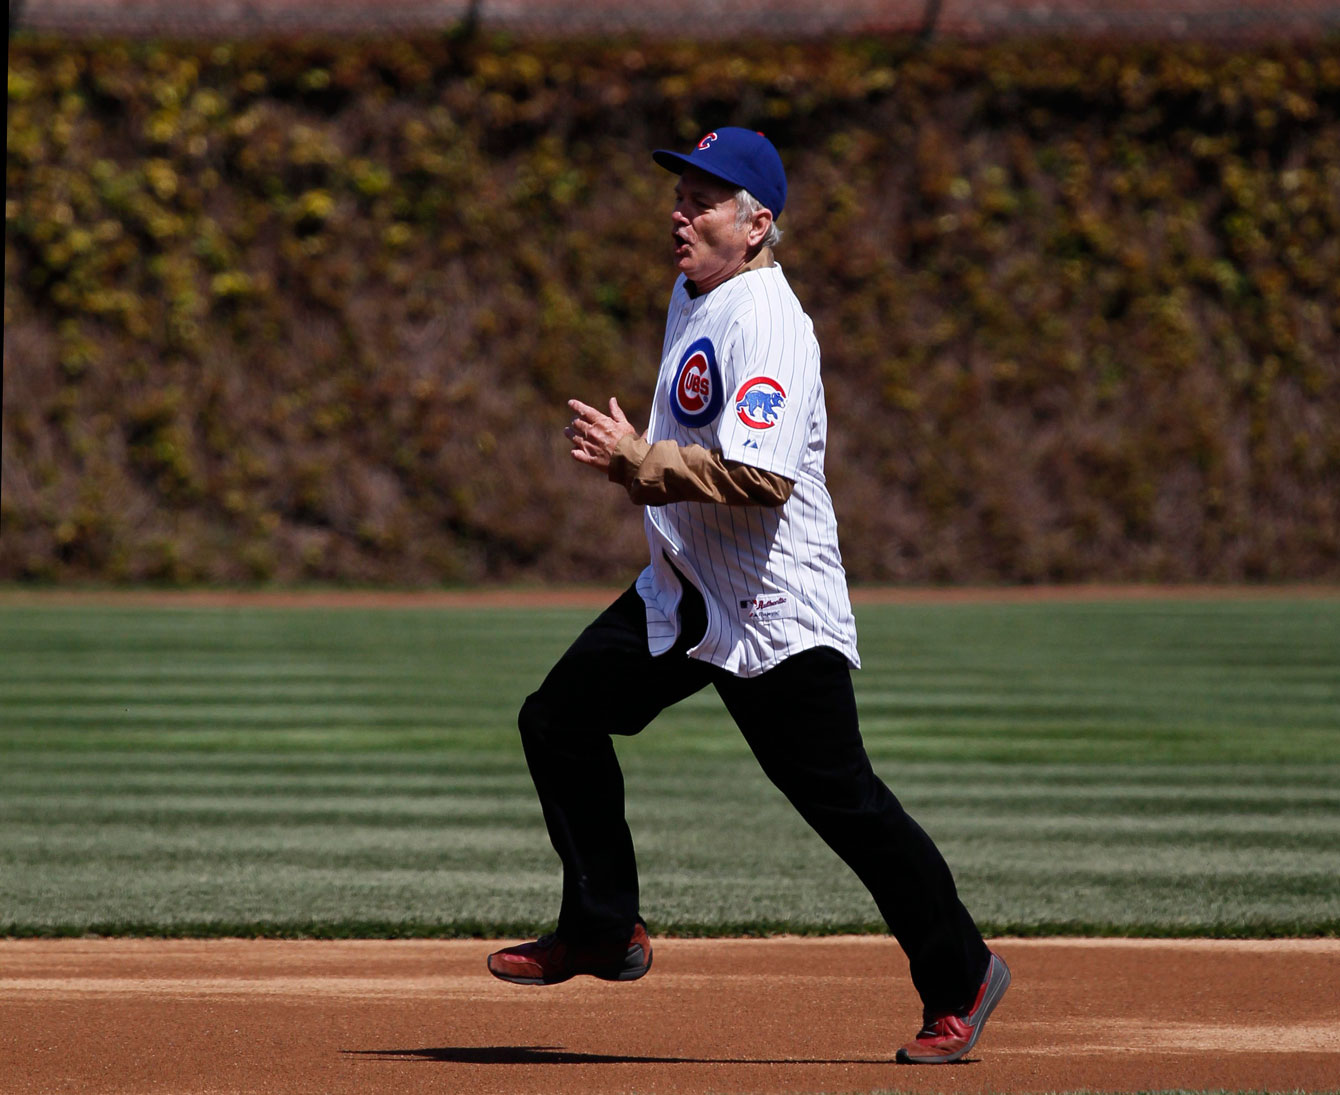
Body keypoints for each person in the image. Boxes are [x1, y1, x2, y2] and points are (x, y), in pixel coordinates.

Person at [486, 127, 1010, 1064]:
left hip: (771, 609)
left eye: (703, 199)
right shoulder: (698, 291)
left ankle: (961, 975)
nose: (680, 212)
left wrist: (636, 461)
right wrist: (644, 473)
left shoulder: (764, 319)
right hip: (685, 594)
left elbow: (759, 475)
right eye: (680, 193)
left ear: (757, 222)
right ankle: (604, 926)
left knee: (844, 803)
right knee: (556, 718)